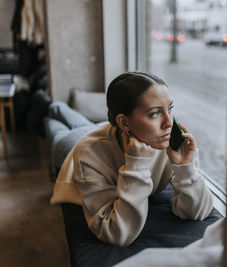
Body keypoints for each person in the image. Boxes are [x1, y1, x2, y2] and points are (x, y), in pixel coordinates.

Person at [50, 72, 214, 247]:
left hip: (110, 130)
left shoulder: (171, 141)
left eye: (170, 108)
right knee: (57, 129)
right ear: (124, 123)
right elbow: (115, 233)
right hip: (72, 142)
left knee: (78, 121)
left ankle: (56, 108)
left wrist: (185, 167)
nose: (169, 123)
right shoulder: (89, 155)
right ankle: (52, 106)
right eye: (155, 113)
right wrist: (136, 167)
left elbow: (197, 212)